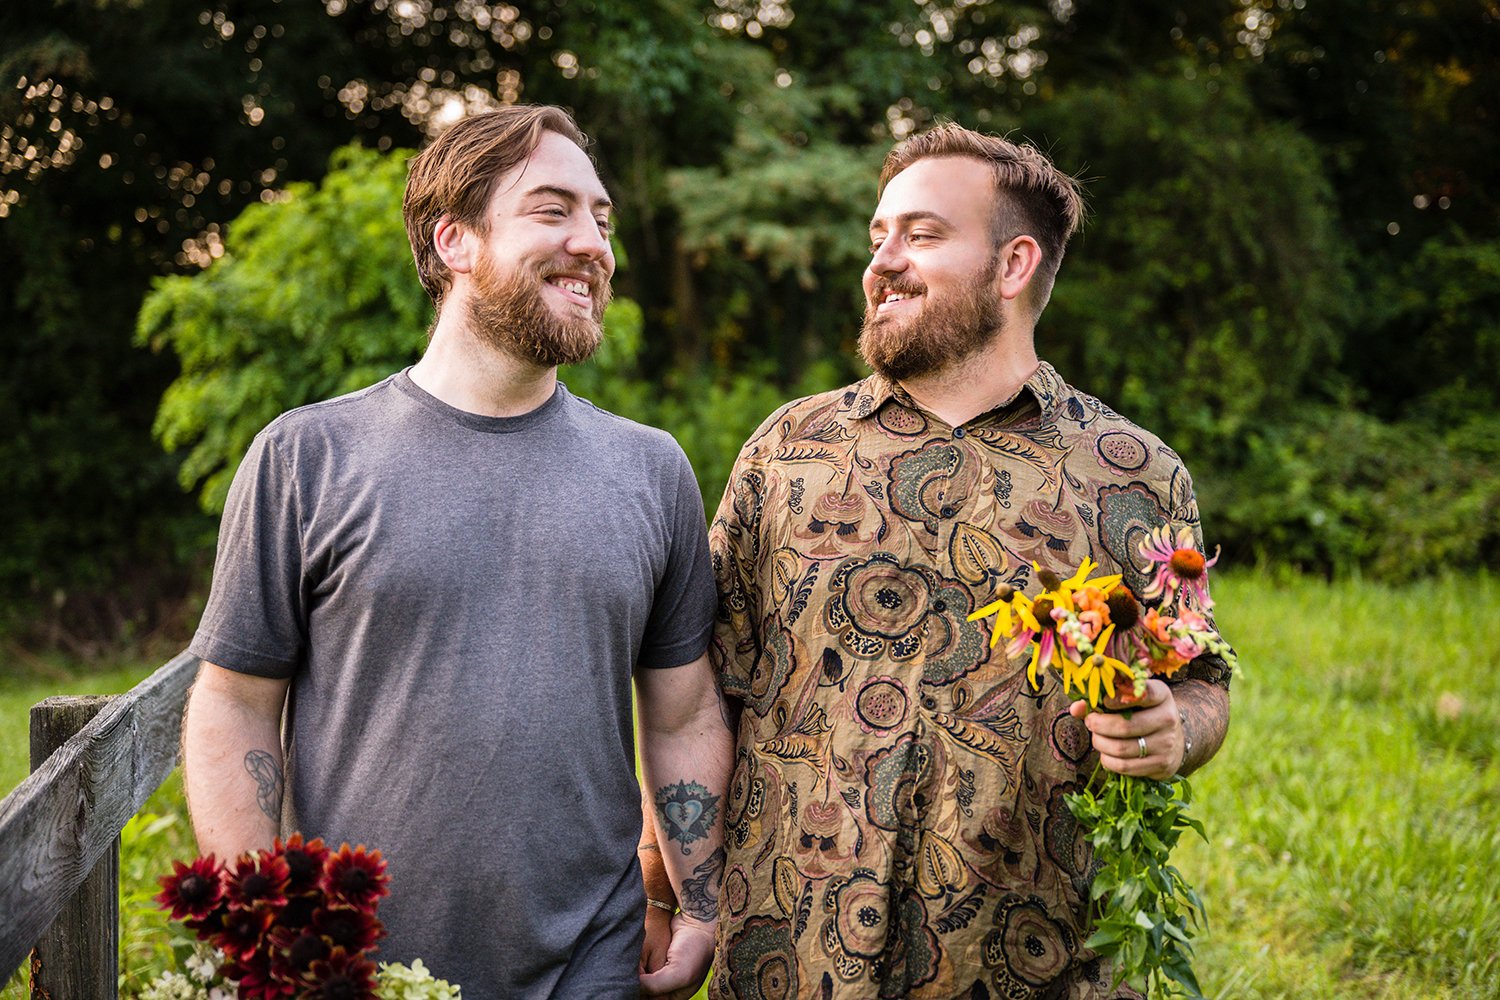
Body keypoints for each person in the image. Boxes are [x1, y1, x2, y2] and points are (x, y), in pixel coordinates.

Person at [181, 105, 731, 1000]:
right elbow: (236, 704)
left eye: (602, 218)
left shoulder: (651, 469)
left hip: (590, 964)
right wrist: (270, 923)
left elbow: (680, 712)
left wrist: (701, 902)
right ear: (455, 241)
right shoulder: (306, 457)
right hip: (361, 968)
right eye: (552, 210)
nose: (592, 243)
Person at [704, 123, 1233, 999]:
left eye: (921, 234)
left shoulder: (1135, 473)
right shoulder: (788, 449)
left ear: (1015, 264)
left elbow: (1203, 675)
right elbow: (702, 688)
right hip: (789, 957)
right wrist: (668, 885)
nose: (882, 261)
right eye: (878, 237)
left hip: (1035, 962)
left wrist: (1178, 732)